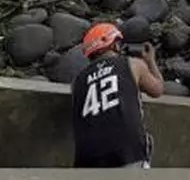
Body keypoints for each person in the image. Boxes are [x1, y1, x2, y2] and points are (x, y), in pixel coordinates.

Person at [70, 22, 163, 169]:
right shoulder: (133, 64)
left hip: (87, 161)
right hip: (128, 153)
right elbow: (157, 90)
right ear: (114, 45)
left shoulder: (77, 81)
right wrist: (150, 61)